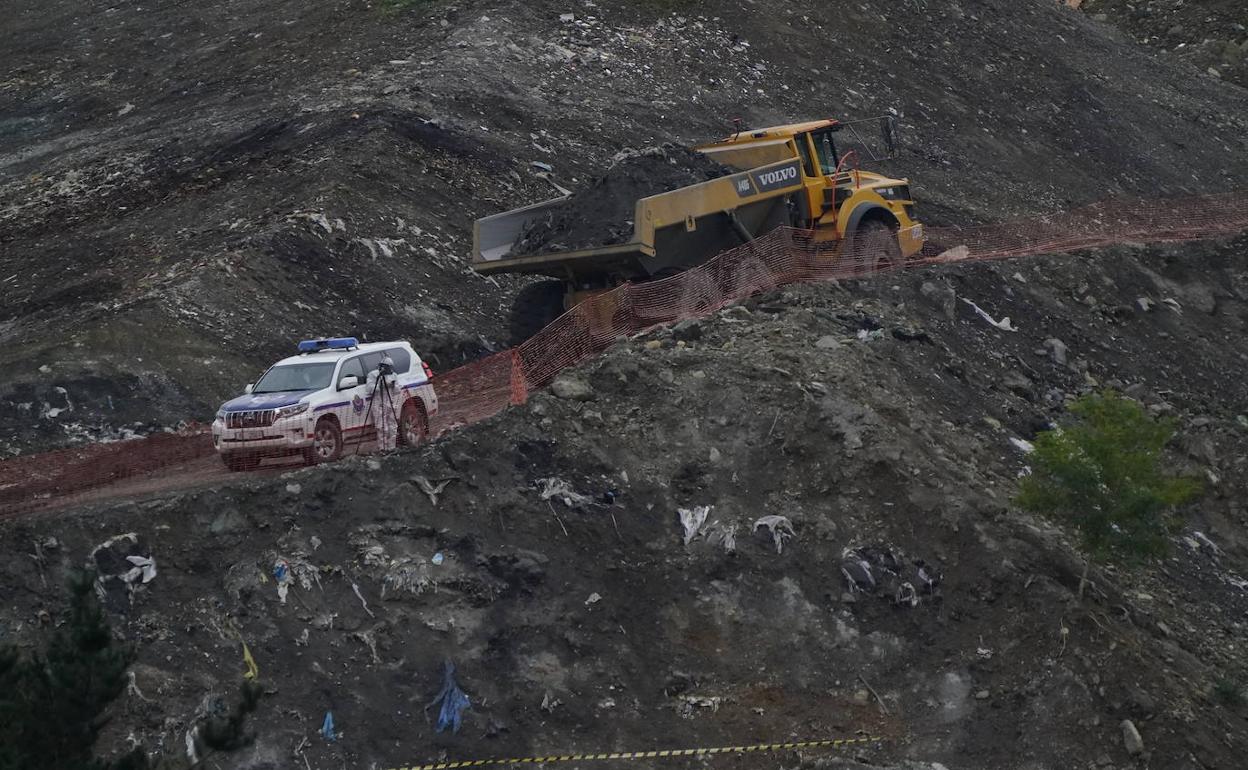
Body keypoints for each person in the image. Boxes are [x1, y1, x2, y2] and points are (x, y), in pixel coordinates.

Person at [365, 356, 400, 451]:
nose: (390, 370)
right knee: (381, 427)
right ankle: (382, 448)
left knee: (393, 426)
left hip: (390, 403)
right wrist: (380, 385)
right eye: (388, 367)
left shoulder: (394, 375)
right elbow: (369, 388)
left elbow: (398, 390)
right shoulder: (373, 375)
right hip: (378, 404)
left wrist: (392, 385)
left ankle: (392, 448)